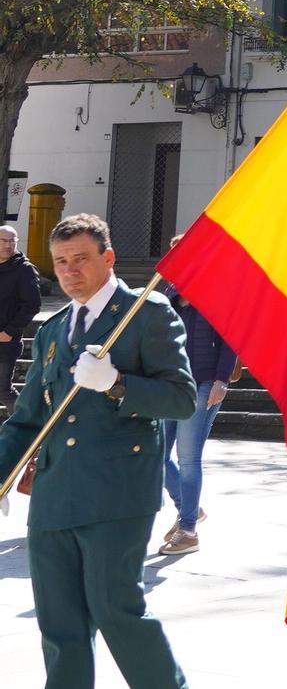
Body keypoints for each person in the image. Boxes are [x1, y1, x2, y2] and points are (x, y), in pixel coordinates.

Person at [0, 213, 195, 689]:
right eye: (62, 262)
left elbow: (182, 398)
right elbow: (29, 417)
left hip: (117, 493)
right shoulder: (54, 330)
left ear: (108, 258)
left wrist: (117, 383)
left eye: (81, 259)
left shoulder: (147, 314)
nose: (70, 271)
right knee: (59, 625)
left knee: (118, 611)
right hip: (53, 494)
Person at [159, 270, 235, 556]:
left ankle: (189, 530)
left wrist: (221, 381)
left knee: (188, 458)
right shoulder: (169, 298)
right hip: (171, 383)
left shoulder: (215, 296)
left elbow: (230, 339)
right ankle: (189, 508)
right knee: (157, 455)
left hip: (205, 383)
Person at [0, 222, 39, 411]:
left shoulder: (24, 269)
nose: (8, 245)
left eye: (12, 241)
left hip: (6, 339)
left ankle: (27, 424)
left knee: (3, 390)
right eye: (3, 241)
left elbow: (32, 305)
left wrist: (10, 331)